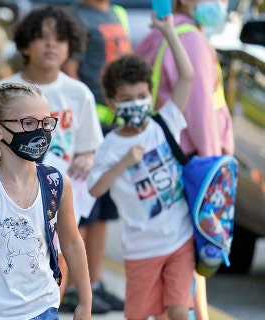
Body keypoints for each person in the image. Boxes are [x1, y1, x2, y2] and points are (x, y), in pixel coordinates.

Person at [0, 5, 105, 313]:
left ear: (71, 46)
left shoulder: (79, 93)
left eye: (60, 39)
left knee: (58, 255)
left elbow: (91, 145)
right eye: (42, 37)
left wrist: (87, 158)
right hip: (11, 193)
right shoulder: (3, 91)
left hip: (57, 194)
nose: (51, 45)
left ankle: (47, 308)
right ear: (24, 45)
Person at [0, 82, 92, 320]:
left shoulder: (56, 183)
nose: (40, 130)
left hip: (44, 309)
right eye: (28, 123)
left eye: (46, 123)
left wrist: (85, 302)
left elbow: (73, 243)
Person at [87, 13, 195, 320]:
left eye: (141, 96)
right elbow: (95, 188)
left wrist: (170, 33)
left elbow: (187, 77)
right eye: (126, 98)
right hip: (141, 249)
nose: (135, 103)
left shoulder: (165, 123)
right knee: (138, 315)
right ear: (112, 103)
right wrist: (123, 162)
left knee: (177, 309)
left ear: (151, 94)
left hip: (179, 238)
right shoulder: (110, 146)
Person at [134, 2, 234, 319]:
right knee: (185, 261)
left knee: (175, 257)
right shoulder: (190, 40)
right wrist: (213, 167)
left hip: (160, 160)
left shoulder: (156, 35)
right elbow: (200, 110)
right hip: (192, 165)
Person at [60, 0, 132, 312]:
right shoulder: (76, 17)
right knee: (84, 207)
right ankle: (75, 284)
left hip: (116, 123)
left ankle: (96, 281)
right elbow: (71, 73)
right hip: (90, 124)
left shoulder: (118, 13)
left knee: (104, 209)